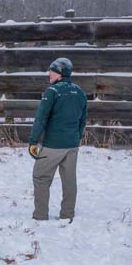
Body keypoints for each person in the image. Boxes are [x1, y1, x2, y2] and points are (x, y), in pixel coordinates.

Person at [28, 58, 88, 222]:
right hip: (72, 145)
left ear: (60, 73)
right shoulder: (80, 93)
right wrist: (76, 137)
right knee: (69, 180)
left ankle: (40, 215)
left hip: (52, 145)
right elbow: (83, 120)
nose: (49, 73)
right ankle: (67, 214)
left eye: (52, 71)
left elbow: (41, 118)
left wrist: (33, 141)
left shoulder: (52, 92)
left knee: (40, 177)